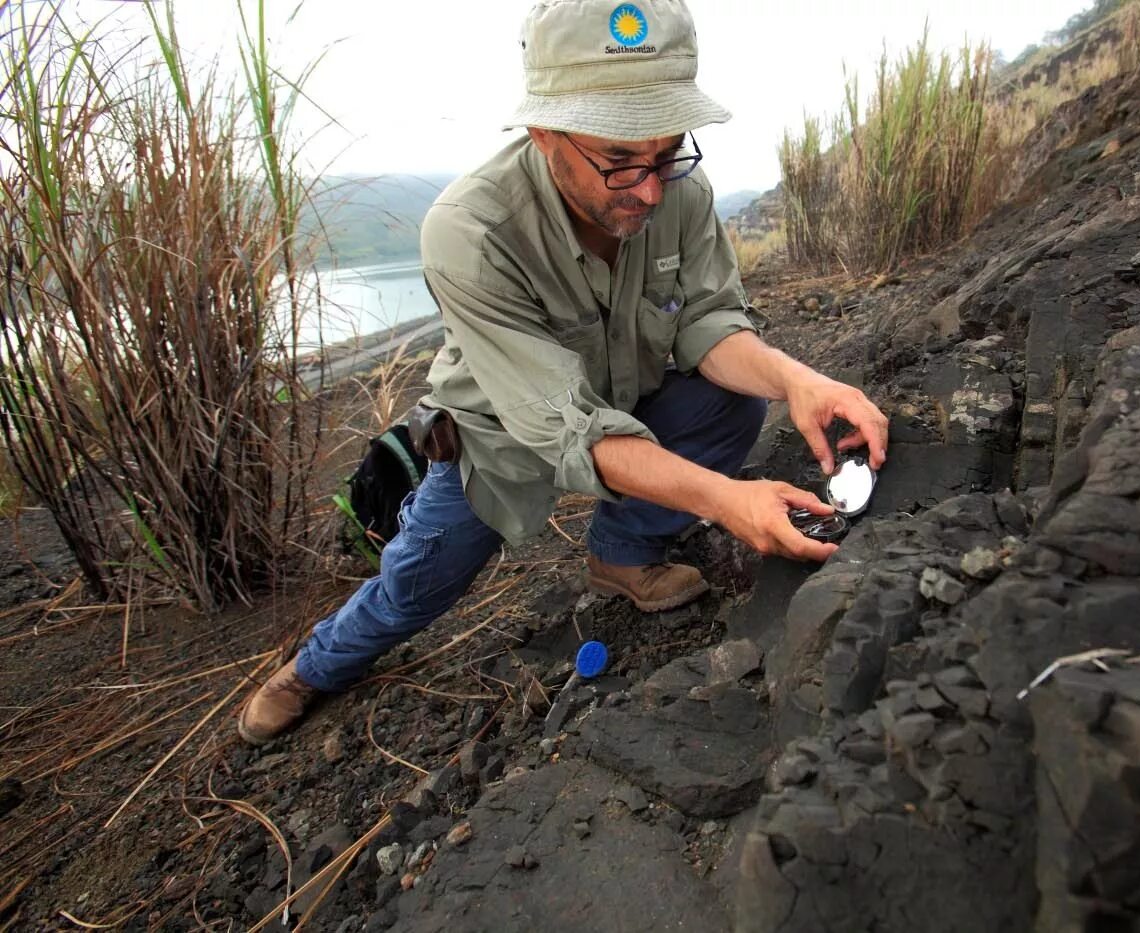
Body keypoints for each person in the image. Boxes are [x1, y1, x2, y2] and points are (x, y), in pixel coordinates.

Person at [238, 0, 888, 745]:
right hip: (500, 437)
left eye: (669, 150)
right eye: (618, 162)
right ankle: (314, 666)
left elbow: (709, 322)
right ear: (545, 133)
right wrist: (726, 501)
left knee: (735, 399)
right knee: (414, 587)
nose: (650, 189)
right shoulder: (470, 233)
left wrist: (796, 380)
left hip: (628, 399)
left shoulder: (679, 189)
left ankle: (621, 555)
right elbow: (568, 424)